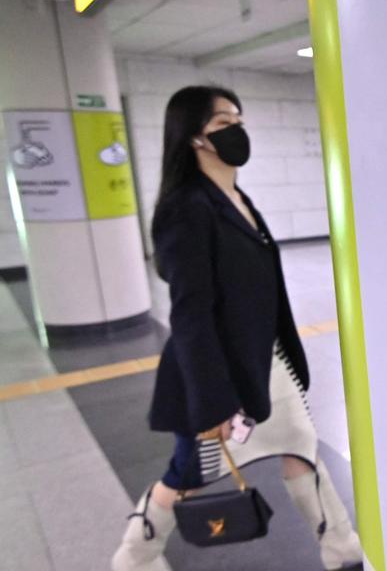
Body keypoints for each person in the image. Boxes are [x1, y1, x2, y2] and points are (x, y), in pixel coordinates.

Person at [111, 87, 362, 570]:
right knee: (187, 472)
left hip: (268, 362)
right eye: (224, 122)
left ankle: (342, 550)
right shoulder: (186, 208)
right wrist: (213, 401)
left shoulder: (236, 198)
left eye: (238, 119)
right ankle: (133, 559)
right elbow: (190, 314)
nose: (237, 131)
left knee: (302, 450)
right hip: (217, 374)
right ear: (194, 138)